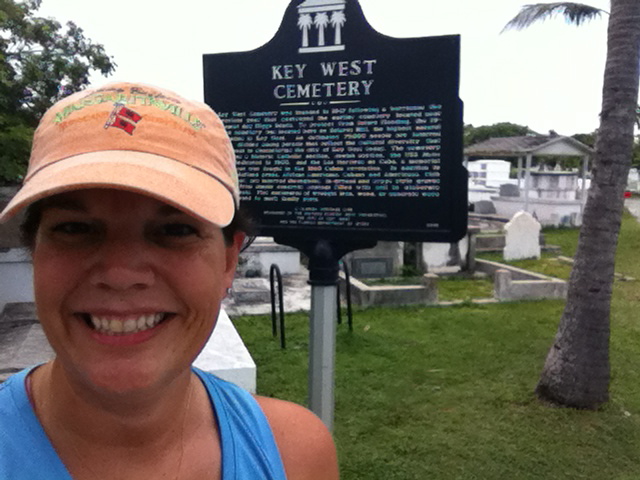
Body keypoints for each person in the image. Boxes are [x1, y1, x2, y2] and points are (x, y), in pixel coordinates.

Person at [0, 81, 339, 479]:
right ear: (34, 252)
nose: (120, 275)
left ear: (228, 261)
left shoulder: (294, 454)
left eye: (176, 231)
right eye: (75, 228)